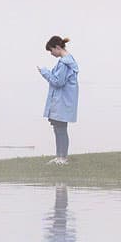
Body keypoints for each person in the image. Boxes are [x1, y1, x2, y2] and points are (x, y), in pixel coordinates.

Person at [39, 35, 79, 164]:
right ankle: (59, 156)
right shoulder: (67, 60)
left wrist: (45, 72)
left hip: (62, 101)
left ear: (57, 47)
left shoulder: (64, 63)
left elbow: (58, 82)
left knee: (61, 129)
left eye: (51, 50)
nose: (51, 53)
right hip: (63, 101)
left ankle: (63, 157)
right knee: (58, 128)